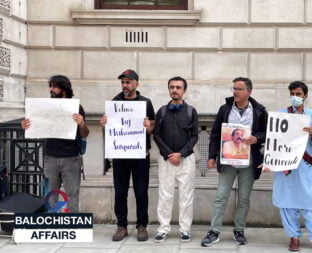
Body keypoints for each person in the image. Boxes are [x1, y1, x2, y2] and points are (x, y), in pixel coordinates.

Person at [263, 81, 312, 253]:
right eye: (292, 93)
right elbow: (273, 140)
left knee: (310, 199)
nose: (295, 97)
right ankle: (294, 236)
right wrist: (269, 160)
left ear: (305, 96)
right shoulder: (280, 115)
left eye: (298, 94)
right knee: (287, 201)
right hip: (285, 166)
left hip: (304, 164)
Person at [201, 77, 268, 247]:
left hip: (249, 164)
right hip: (228, 162)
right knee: (220, 197)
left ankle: (239, 230)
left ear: (249, 91)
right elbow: (215, 134)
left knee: (244, 199)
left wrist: (257, 138)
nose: (235, 92)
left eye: (239, 89)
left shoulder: (260, 111)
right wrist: (211, 156)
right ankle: (214, 231)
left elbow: (268, 133)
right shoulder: (225, 109)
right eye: (234, 88)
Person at [100, 69, 155, 242]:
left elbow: (152, 128)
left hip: (140, 154)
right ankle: (121, 226)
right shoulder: (114, 102)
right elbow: (110, 129)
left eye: (128, 82)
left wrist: (148, 126)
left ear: (136, 84)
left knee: (141, 192)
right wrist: (103, 125)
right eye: (123, 82)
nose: (125, 85)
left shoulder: (146, 103)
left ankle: (141, 226)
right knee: (120, 192)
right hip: (120, 155)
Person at [21, 75, 89, 213]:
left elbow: (85, 134)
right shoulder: (46, 106)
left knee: (72, 196)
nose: (51, 89)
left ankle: (73, 227)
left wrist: (81, 123)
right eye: (50, 86)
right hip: (50, 157)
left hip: (71, 158)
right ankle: (52, 225)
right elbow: (36, 126)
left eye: (54, 86)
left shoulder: (76, 107)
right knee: (50, 195)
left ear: (64, 89)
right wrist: (26, 126)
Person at [153, 76, 198, 243]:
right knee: (165, 195)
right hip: (166, 160)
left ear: (184, 90)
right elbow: (156, 134)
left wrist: (181, 154)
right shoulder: (162, 111)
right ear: (168, 89)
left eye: (178, 87)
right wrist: (168, 154)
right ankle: (163, 228)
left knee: (186, 196)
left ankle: (185, 229)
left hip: (186, 160)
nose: (175, 90)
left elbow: (194, 136)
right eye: (172, 87)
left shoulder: (190, 111)